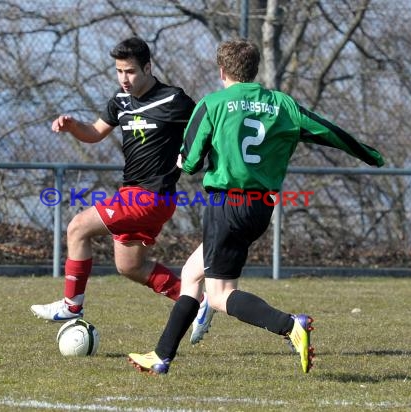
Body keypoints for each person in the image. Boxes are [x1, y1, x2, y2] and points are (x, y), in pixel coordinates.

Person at [128, 39, 385, 375]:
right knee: (192, 274)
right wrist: (371, 155)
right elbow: (329, 132)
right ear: (255, 70)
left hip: (226, 205)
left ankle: (290, 325)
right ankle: (161, 356)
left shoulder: (214, 103)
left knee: (219, 295)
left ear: (222, 71)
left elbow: (190, 162)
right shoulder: (283, 105)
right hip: (260, 209)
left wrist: (183, 159)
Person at [31, 37, 214, 344]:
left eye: (130, 71)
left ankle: (71, 305)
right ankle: (198, 303)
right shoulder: (120, 101)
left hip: (151, 196)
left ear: (147, 67)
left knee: (77, 228)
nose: (124, 79)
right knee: (130, 265)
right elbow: (94, 133)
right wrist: (72, 125)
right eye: (118, 71)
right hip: (133, 194)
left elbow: (207, 127)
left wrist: (195, 157)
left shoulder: (173, 100)